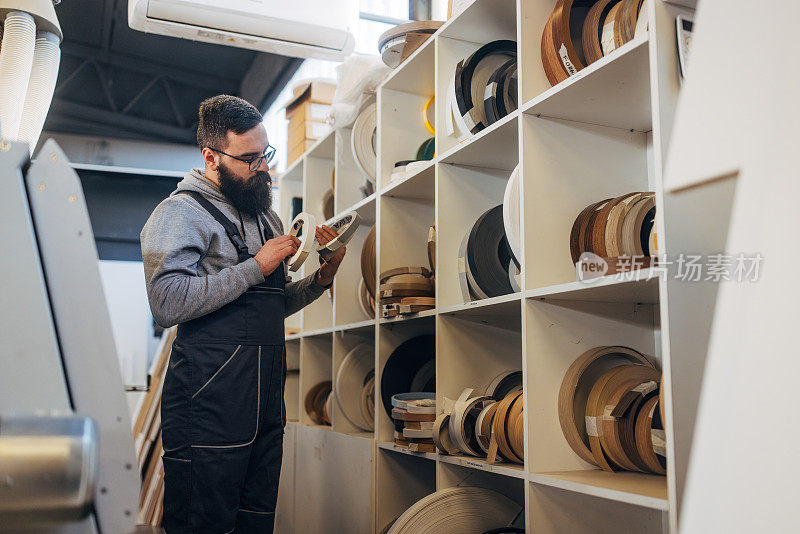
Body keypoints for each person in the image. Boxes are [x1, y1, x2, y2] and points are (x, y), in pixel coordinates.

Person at [141, 94, 344, 533]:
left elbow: (271, 304)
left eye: (265, 155)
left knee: (255, 519)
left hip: (265, 401)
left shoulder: (266, 218)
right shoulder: (179, 214)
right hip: (208, 402)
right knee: (202, 521)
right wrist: (257, 265)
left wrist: (321, 280)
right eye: (249, 159)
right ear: (211, 157)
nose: (263, 168)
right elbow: (167, 303)